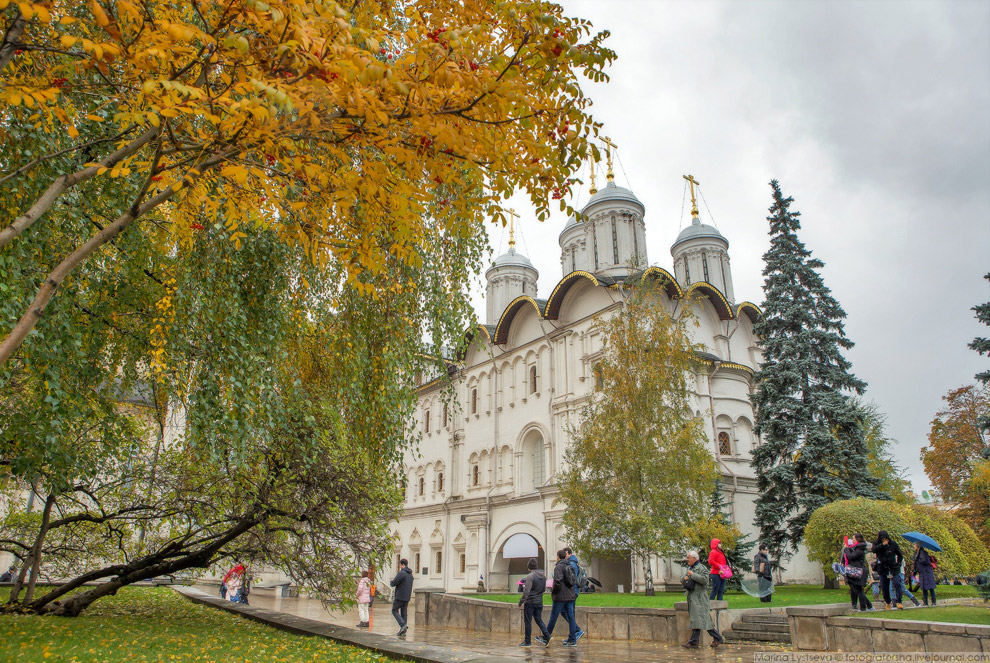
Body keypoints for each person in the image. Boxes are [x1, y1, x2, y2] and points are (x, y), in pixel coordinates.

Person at [682, 550, 724, 649]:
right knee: (697, 619)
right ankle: (694, 642)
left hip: (700, 598)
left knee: (702, 619)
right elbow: (683, 577)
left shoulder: (701, 568)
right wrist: (685, 578)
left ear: (694, 558)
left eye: (688, 557)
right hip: (692, 597)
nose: (687, 559)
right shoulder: (690, 568)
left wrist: (692, 575)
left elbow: (705, 581)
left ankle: (716, 637)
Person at [874, 531, 920, 609]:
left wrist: (898, 564)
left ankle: (899, 601)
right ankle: (888, 601)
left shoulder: (893, 544)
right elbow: (874, 550)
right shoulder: (877, 544)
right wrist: (882, 545)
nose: (885, 540)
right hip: (883, 567)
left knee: (897, 584)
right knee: (885, 587)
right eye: (883, 539)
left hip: (893, 567)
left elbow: (900, 554)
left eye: (886, 539)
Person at [546, 549, 582, 647]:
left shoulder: (559, 566)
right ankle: (573, 640)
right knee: (570, 617)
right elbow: (572, 581)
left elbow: (557, 582)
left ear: (558, 556)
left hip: (561, 596)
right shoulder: (570, 565)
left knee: (553, 616)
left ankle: (546, 636)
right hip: (570, 595)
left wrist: (554, 592)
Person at [518, 558, 551, 647]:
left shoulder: (530, 576)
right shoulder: (543, 577)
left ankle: (527, 641)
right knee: (539, 620)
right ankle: (547, 636)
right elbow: (543, 589)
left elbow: (526, 591)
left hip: (530, 602)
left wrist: (521, 601)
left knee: (528, 621)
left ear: (529, 567)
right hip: (539, 601)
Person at [843, 533, 873, 611]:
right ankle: (867, 606)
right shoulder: (855, 547)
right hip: (853, 569)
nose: (852, 540)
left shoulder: (860, 548)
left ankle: (864, 607)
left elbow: (852, 556)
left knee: (858, 589)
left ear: (858, 539)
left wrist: (846, 549)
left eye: (854, 539)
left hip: (857, 571)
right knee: (855, 589)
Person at [390, 559, 413, 636]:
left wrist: (391, 582)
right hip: (407, 596)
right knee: (404, 612)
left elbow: (394, 583)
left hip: (400, 596)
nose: (400, 566)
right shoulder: (410, 574)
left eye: (400, 565)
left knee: (394, 610)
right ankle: (403, 631)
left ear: (402, 565)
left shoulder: (402, 573)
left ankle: (403, 625)